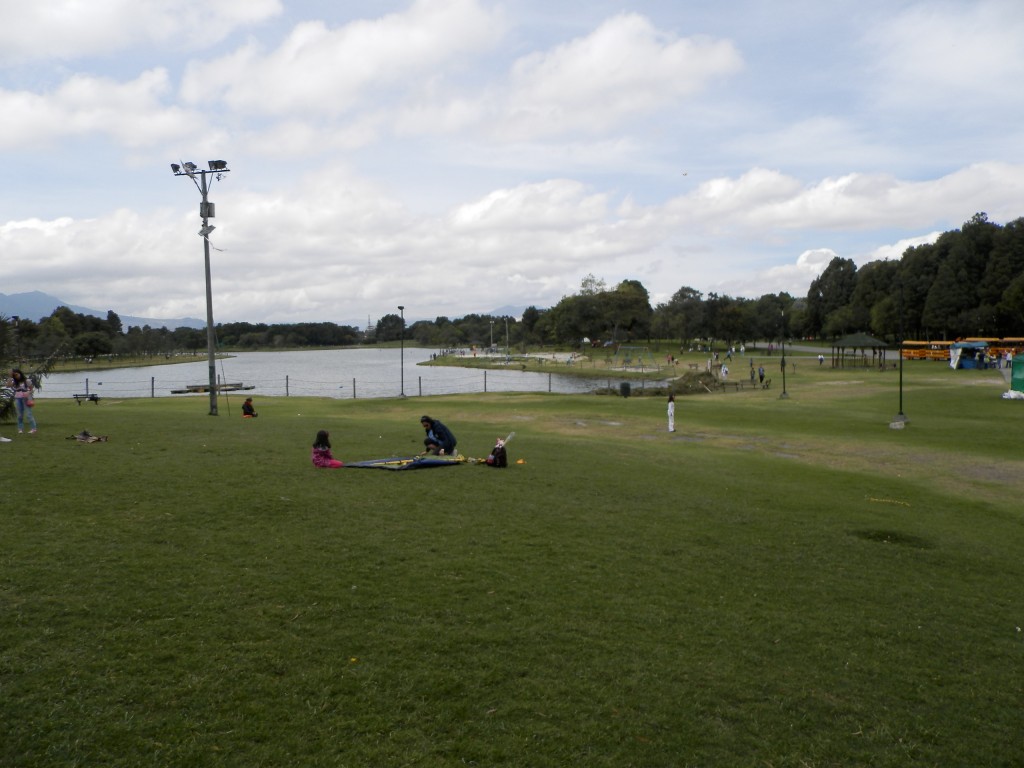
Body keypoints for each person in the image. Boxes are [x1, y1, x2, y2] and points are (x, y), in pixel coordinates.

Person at [9, 368, 37, 434]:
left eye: (17, 374)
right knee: (20, 415)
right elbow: (8, 385)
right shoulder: (15, 382)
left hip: (26, 398)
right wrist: (10, 377)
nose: (16, 376)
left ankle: (33, 428)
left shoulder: (27, 381)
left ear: (20, 373)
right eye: (14, 375)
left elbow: (32, 389)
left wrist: (28, 392)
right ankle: (20, 429)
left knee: (28, 414)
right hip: (18, 398)